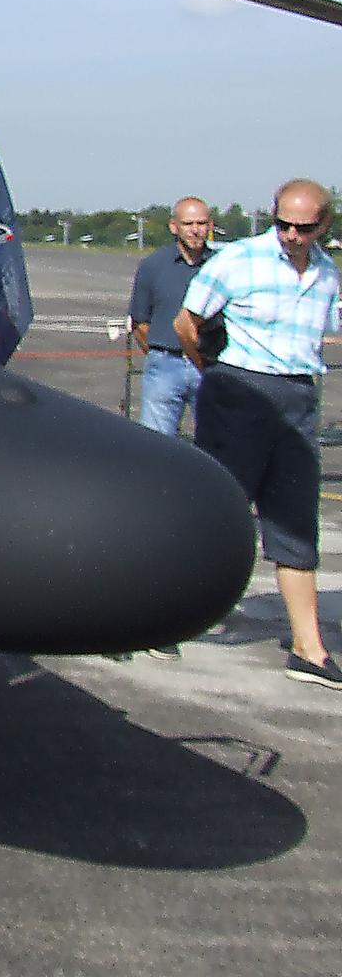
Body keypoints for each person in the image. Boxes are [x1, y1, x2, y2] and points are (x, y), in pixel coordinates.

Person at [176, 179, 342, 690]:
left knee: (295, 516)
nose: (292, 234)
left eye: (303, 226)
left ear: (323, 225)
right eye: (283, 223)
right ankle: (162, 614)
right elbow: (188, 322)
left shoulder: (328, 273)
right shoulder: (239, 261)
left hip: (297, 396)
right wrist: (215, 374)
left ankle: (308, 649)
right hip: (239, 389)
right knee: (218, 510)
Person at [130, 197, 216, 435]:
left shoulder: (221, 266)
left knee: (217, 441)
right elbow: (140, 321)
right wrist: (163, 354)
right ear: (174, 226)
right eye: (188, 224)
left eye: (201, 223)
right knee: (156, 444)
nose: (195, 230)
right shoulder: (153, 265)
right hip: (165, 366)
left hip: (210, 368)